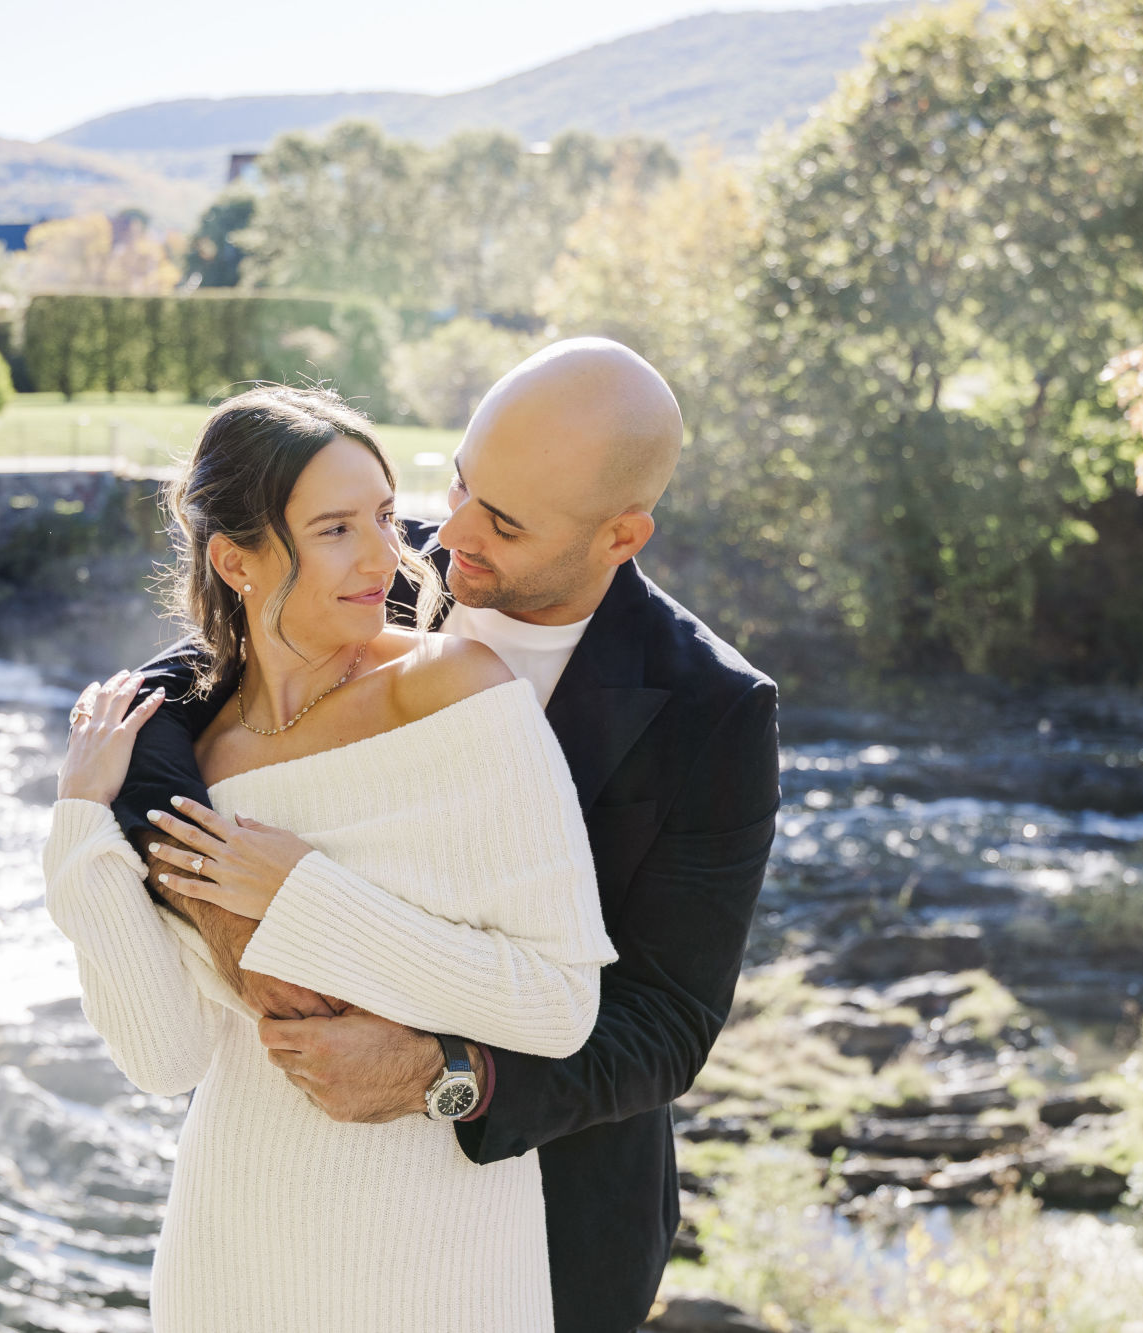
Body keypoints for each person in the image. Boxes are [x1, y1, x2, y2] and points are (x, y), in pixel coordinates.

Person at [116, 340, 780, 1333]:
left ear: (620, 534)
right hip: (303, 1202)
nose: (449, 533)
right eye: (460, 483)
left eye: (503, 521)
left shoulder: (710, 710)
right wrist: (226, 922)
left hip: (554, 1221)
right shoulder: (373, 564)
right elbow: (156, 710)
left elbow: (665, 1023)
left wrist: (441, 1075)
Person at [44, 384, 616, 1333]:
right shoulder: (195, 760)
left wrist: (300, 893)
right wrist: (80, 824)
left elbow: (558, 1005)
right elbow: (165, 1054)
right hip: (230, 1258)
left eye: (386, 517)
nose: (385, 555)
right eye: (336, 528)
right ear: (237, 559)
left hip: (441, 1263)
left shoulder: (457, 693)